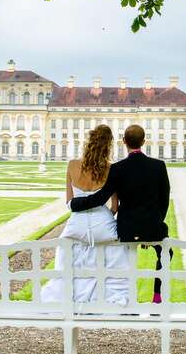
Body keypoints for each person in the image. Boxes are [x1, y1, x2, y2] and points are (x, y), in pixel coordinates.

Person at [70, 124, 171, 303]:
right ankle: (157, 296)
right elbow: (164, 200)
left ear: (124, 141)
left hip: (126, 229)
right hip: (153, 227)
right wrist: (154, 224)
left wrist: (75, 204)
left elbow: (101, 197)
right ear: (144, 141)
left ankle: (122, 295)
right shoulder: (159, 166)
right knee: (166, 253)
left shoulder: (117, 168)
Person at [41, 125, 129, 306]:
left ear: (88, 142)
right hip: (103, 224)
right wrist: (103, 216)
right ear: (108, 146)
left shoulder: (72, 165)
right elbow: (114, 207)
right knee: (114, 256)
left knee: (67, 256)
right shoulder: (111, 169)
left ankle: (70, 297)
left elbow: (69, 203)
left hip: (76, 225)